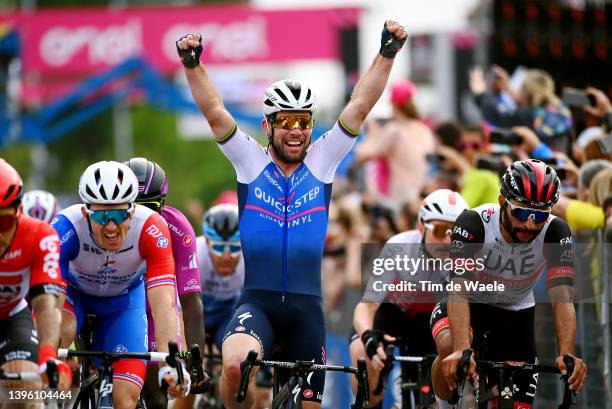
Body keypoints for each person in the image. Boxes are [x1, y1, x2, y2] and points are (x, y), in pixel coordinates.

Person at [176, 19, 407, 408]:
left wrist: (387, 52)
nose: (296, 130)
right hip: (258, 303)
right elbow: (215, 112)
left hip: (306, 309)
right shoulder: (249, 161)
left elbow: (361, 104)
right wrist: (192, 63)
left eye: (303, 121)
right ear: (267, 125)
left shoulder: (323, 161)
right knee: (233, 368)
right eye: (286, 121)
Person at [429, 159, 588, 408]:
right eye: (522, 213)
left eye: (540, 216)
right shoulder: (474, 224)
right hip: (471, 304)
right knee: (450, 346)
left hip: (517, 313)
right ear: (502, 202)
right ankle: (444, 405)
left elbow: (562, 298)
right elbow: (458, 290)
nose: (529, 224)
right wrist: (462, 349)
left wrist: (566, 353)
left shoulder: (557, 232)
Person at [51, 161, 189, 409]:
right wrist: (47, 353)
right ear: (86, 213)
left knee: (125, 399)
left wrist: (172, 364)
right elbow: (50, 302)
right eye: (103, 216)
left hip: (124, 304)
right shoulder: (65, 228)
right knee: (62, 331)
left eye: (119, 214)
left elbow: (164, 304)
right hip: (74, 298)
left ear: (132, 211)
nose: (111, 226)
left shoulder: (151, 228)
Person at [350, 189, 469, 409]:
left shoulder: (464, 258)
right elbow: (367, 305)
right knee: (363, 356)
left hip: (429, 325)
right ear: (422, 226)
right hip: (391, 317)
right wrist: (367, 335)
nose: (447, 240)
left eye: (455, 233)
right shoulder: (399, 246)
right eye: (441, 229)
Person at [124, 157, 207, 409]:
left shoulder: (178, 230)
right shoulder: (105, 225)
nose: (141, 217)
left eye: (149, 207)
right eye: (131, 207)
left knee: (156, 396)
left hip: (153, 309)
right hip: (112, 301)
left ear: (163, 203)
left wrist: (196, 364)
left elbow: (191, 301)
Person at [0, 159, 72, 395]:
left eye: (3, 222)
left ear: (19, 213)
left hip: (10, 316)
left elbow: (45, 305)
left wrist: (48, 356)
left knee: (24, 391)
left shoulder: (40, 235)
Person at [355, 80, 435, 206]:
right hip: (421, 194)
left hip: (400, 198)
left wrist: (371, 134)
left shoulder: (395, 130)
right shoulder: (425, 131)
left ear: (394, 104)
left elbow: (362, 154)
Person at [197, 204, 244, 351]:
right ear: (207, 242)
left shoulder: (250, 255)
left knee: (234, 352)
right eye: (218, 247)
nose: (226, 256)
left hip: (228, 310)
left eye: (235, 248)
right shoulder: (196, 253)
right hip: (196, 307)